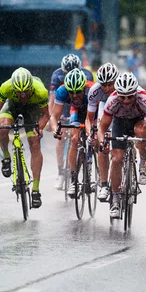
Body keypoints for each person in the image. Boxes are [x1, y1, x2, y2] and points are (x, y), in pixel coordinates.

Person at [0, 68, 50, 208]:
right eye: (19, 92)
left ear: (31, 87)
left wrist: (39, 128)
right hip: (12, 106)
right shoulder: (6, 87)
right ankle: (6, 158)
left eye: (26, 91)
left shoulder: (40, 91)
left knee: (34, 143)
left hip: (32, 109)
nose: (22, 95)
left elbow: (46, 115)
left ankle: (35, 190)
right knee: (3, 130)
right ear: (13, 88)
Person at [97, 73, 146, 217]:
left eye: (130, 96)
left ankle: (141, 164)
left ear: (135, 93)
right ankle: (115, 199)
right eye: (123, 97)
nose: (126, 100)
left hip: (137, 121)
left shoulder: (144, 98)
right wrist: (103, 142)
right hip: (119, 123)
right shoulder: (112, 100)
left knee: (141, 131)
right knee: (116, 159)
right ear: (118, 94)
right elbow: (102, 128)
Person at [49, 54, 94, 190]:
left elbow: (97, 111)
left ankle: (90, 166)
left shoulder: (90, 85)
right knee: (71, 138)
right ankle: (63, 173)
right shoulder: (60, 84)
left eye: (78, 91)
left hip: (88, 107)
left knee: (93, 137)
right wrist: (55, 127)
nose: (75, 93)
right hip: (70, 106)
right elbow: (53, 107)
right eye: (66, 72)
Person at [85, 63, 119, 199]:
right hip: (104, 107)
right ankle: (104, 184)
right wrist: (92, 134)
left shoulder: (123, 88)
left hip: (119, 105)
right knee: (102, 145)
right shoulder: (95, 91)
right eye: (103, 85)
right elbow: (89, 119)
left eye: (110, 84)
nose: (107, 88)